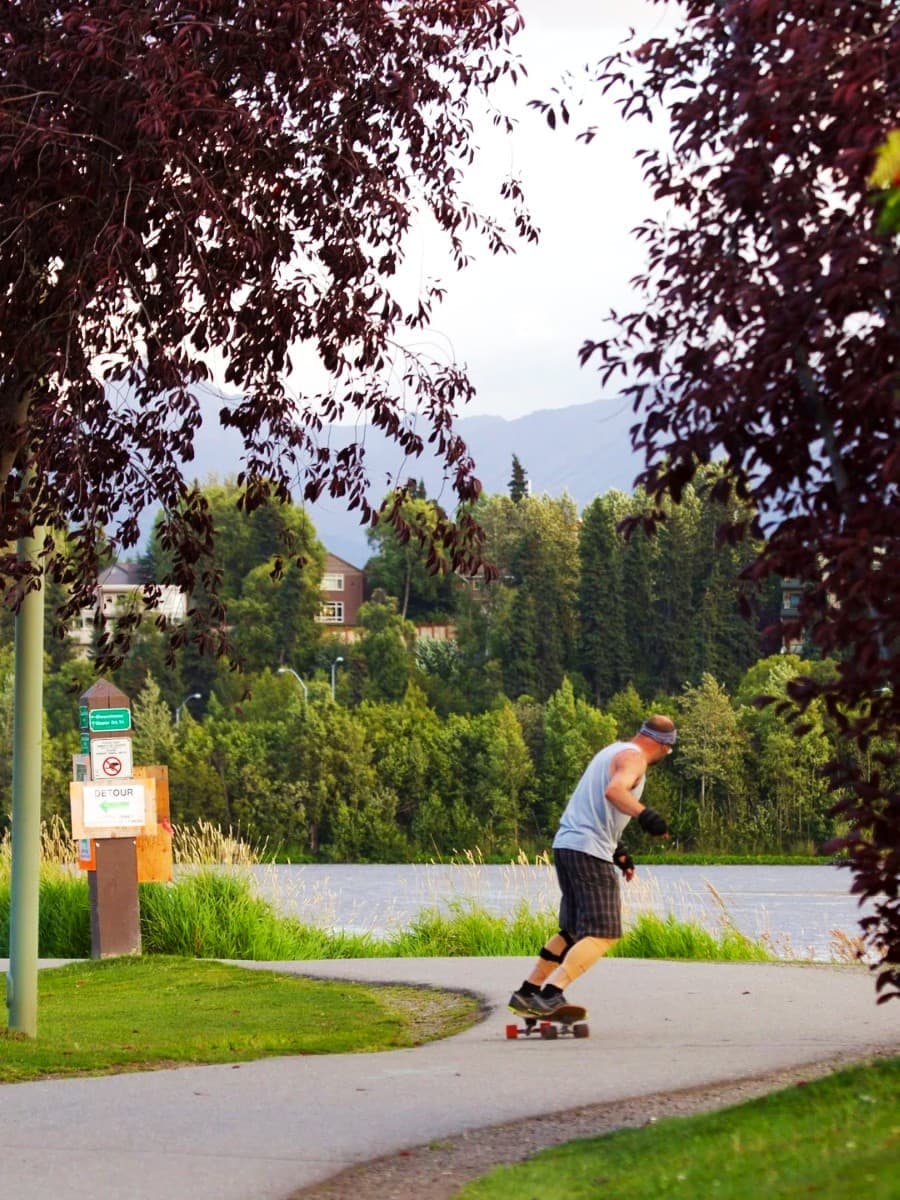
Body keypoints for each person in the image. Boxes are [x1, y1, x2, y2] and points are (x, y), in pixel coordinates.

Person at [509, 714, 676, 1017]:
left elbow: (595, 808)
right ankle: (550, 995)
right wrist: (646, 816)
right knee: (605, 932)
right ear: (664, 746)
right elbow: (614, 791)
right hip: (588, 851)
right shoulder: (634, 759)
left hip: (568, 845)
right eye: (669, 750)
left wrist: (619, 852)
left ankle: (528, 992)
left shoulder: (610, 752)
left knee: (574, 930)